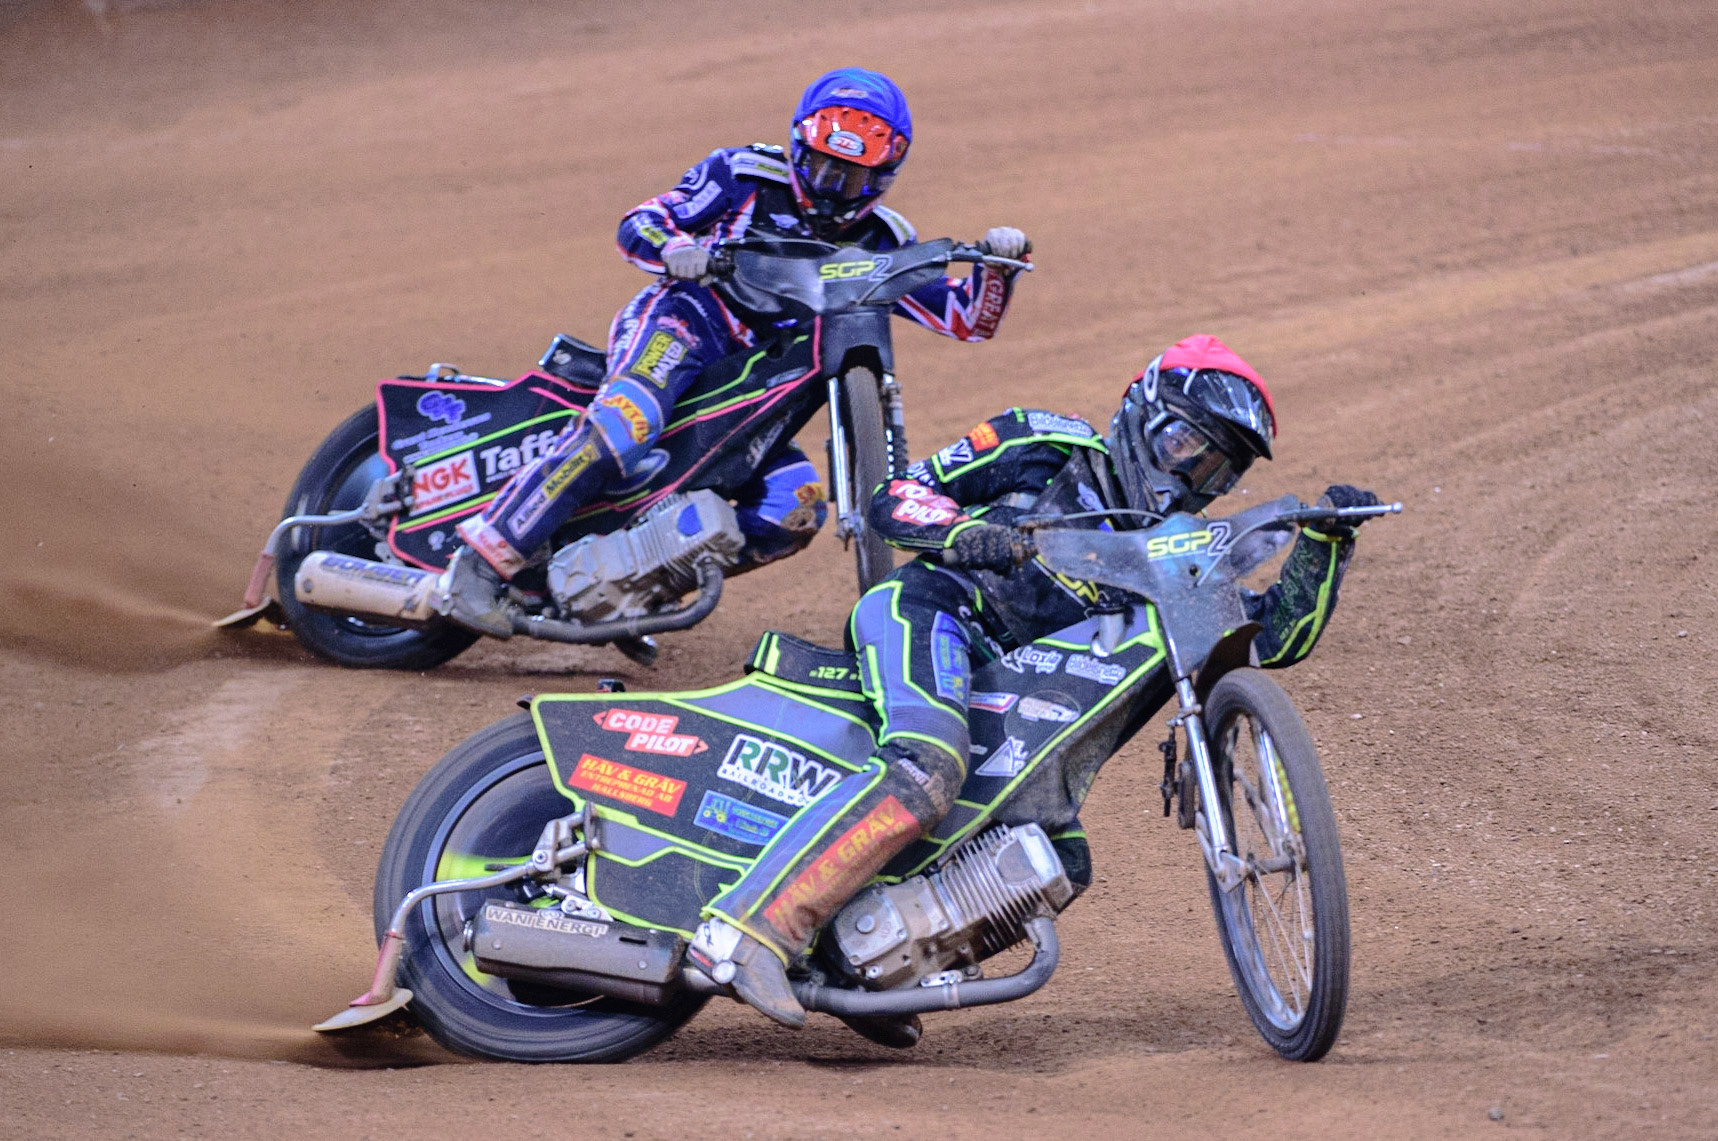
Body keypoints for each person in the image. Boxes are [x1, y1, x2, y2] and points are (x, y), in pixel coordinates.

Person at [687, 334, 1383, 1040]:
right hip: (932, 615)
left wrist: (1324, 548)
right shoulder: (1046, 443)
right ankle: (748, 931)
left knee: (1059, 858)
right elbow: (896, 495)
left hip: (1016, 708)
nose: (1190, 474)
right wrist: (964, 532)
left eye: (1216, 465)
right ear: (1140, 412)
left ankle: (855, 972)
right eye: (1182, 443)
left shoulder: (1181, 560)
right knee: (929, 764)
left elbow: (1270, 640)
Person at [439, 66, 1032, 636]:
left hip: (757, 381)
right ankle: (480, 563)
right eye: (821, 167)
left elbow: (965, 320)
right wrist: (674, 249)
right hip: (684, 323)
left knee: (795, 506)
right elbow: (642, 220)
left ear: (881, 177)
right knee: (626, 425)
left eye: (849, 178)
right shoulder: (742, 174)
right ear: (798, 147)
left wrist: (1000, 269)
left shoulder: (886, 241)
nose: (830, 189)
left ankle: (629, 590)